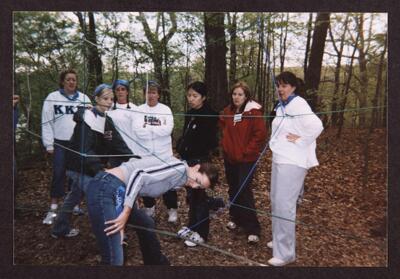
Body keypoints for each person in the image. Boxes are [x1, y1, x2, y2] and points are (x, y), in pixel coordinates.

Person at [85, 155, 219, 265]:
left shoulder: (180, 179)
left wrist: (132, 197)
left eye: (199, 187)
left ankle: (157, 265)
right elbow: (139, 175)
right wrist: (125, 213)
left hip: (118, 189)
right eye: (197, 180)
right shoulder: (179, 168)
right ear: (196, 167)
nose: (194, 185)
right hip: (106, 187)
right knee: (114, 258)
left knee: (146, 223)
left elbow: (136, 164)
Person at [50, 84, 134, 238]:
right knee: (101, 196)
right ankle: (110, 234)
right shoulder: (87, 119)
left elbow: (118, 143)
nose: (109, 102)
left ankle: (59, 228)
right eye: (105, 98)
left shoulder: (106, 120)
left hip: (89, 167)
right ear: (96, 99)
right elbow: (84, 150)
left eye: (111, 99)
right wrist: (99, 171)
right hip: (79, 166)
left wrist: (134, 158)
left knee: (75, 195)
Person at [267, 71, 323, 266]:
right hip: (280, 158)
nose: (280, 89)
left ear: (293, 87)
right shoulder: (283, 105)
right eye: (278, 85)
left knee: (285, 205)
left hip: (293, 161)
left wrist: (300, 140)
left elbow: (317, 126)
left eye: (284, 85)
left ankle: (285, 253)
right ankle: (278, 241)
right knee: (276, 201)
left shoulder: (298, 103)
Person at [41, 69, 91, 225]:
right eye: (68, 79)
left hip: (78, 143)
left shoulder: (83, 98)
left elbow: (91, 121)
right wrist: (49, 143)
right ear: (62, 81)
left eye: (74, 80)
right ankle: (53, 208)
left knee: (75, 175)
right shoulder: (52, 98)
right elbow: (46, 121)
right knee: (58, 173)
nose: (71, 82)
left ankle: (73, 205)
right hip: (60, 143)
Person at [220, 81, 267, 244]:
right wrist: (225, 147)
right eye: (234, 94)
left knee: (244, 189)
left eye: (240, 94)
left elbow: (260, 135)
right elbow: (221, 126)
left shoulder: (253, 112)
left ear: (246, 96)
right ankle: (236, 218)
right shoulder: (228, 111)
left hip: (246, 159)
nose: (236, 97)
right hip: (230, 158)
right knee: (233, 188)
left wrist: (246, 152)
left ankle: (253, 228)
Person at [175, 81, 221, 247]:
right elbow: (186, 135)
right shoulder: (190, 113)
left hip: (200, 160)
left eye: (195, 96)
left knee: (200, 196)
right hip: (188, 159)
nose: (191, 99)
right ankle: (192, 226)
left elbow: (209, 140)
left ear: (203, 97)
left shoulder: (209, 115)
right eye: (189, 95)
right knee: (191, 196)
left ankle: (201, 233)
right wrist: (181, 148)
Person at [132, 81, 178, 222]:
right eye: (147, 92)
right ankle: (149, 207)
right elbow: (137, 131)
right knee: (147, 180)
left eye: (153, 92)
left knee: (168, 181)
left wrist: (148, 128)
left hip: (163, 153)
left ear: (158, 94)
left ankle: (172, 209)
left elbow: (167, 130)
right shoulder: (139, 110)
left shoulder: (165, 110)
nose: (150, 95)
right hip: (145, 153)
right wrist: (155, 130)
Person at [107, 79, 138, 168]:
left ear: (127, 92)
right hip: (114, 152)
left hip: (130, 150)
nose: (120, 92)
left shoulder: (135, 109)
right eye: (117, 89)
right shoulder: (108, 107)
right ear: (114, 92)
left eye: (123, 89)